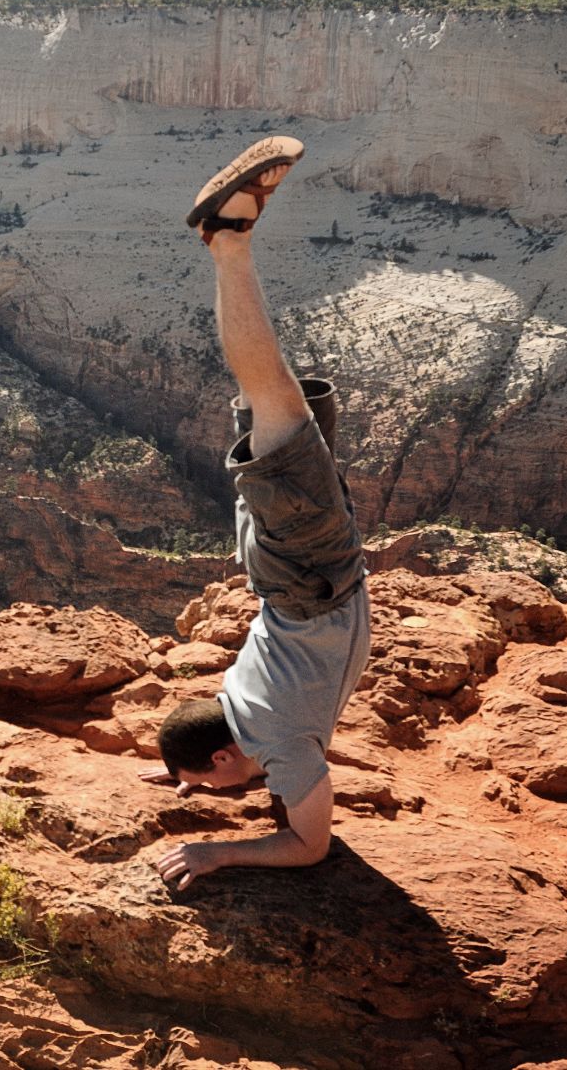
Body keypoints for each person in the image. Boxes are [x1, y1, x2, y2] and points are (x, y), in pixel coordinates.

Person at [144, 137, 373, 891]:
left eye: (210, 786)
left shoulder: (276, 742)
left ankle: (227, 243)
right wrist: (194, 771)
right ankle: (231, 246)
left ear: (222, 757)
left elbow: (307, 846)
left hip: (310, 568)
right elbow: (224, 754)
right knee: (280, 405)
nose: (213, 798)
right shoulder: (239, 711)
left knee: (271, 392)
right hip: (283, 572)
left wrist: (220, 852)